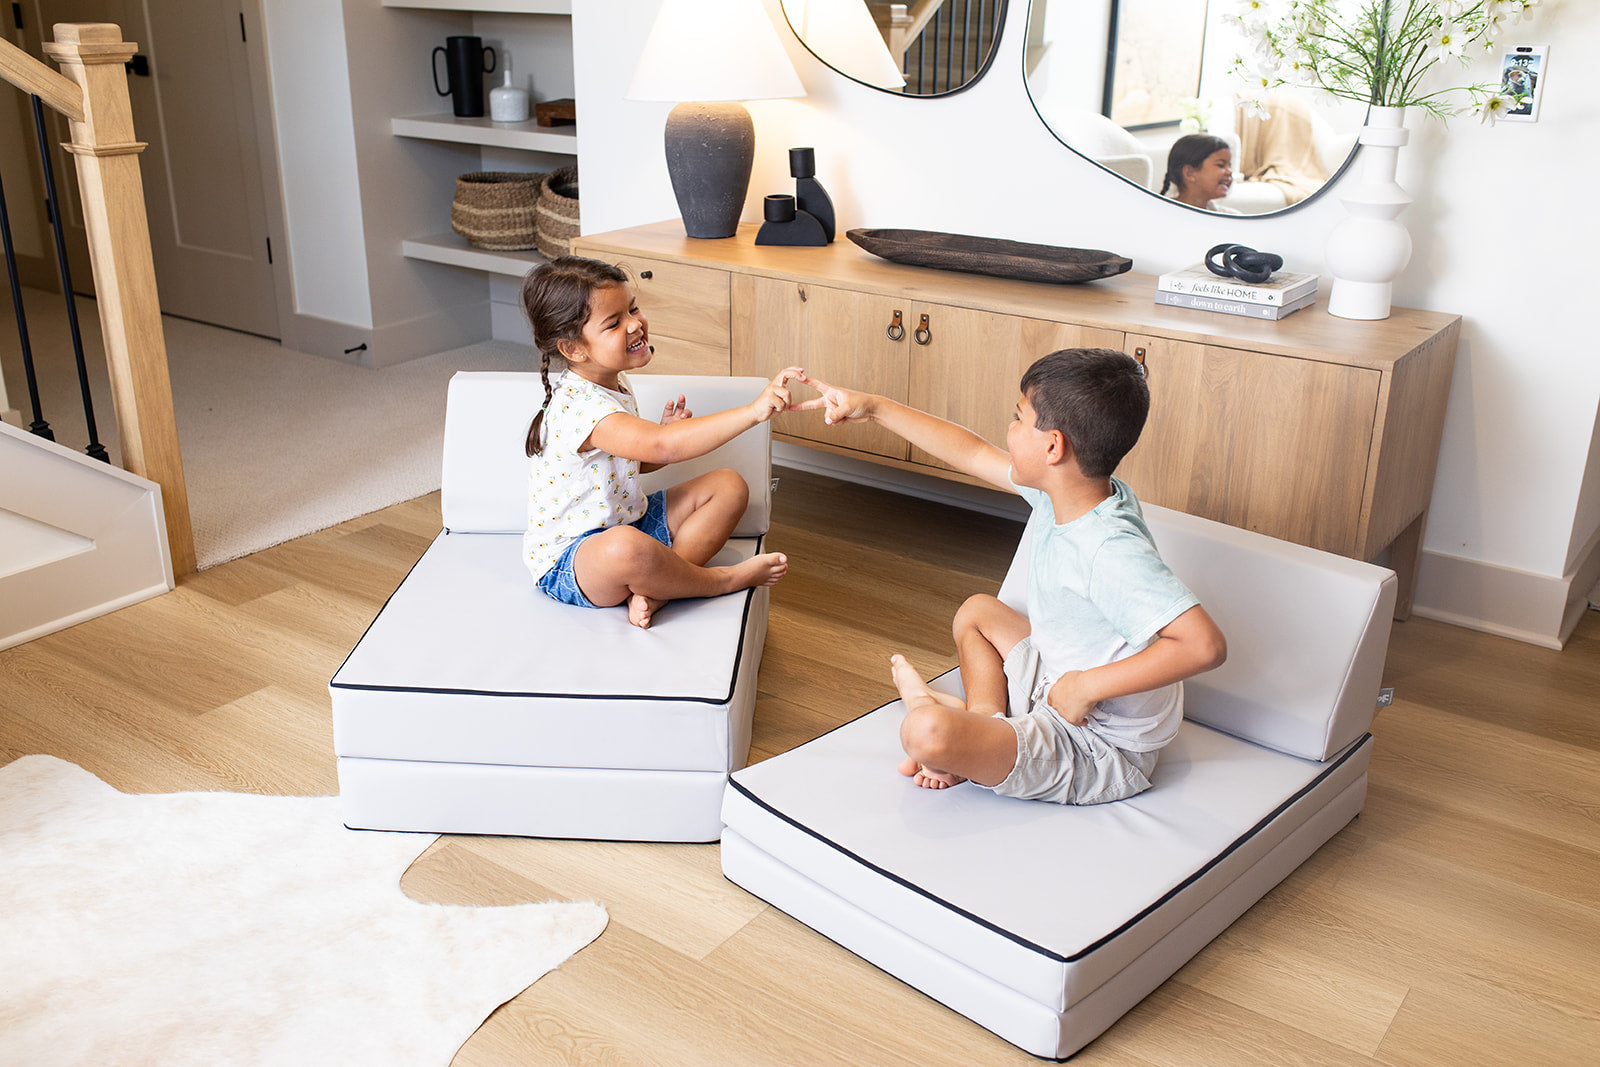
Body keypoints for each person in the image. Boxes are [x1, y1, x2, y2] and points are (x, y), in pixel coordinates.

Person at [791, 350, 1227, 804]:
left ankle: (947, 728)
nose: (1009, 431)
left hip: (1096, 744)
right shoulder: (1069, 491)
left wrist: (1085, 687)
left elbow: (1203, 645)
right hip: (1057, 681)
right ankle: (984, 723)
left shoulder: (1108, 549)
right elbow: (972, 451)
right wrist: (875, 407)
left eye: (1018, 419)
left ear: (1053, 446)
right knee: (978, 612)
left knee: (924, 733)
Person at [522, 255, 795, 629]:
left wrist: (660, 435)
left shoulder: (613, 382)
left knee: (728, 486)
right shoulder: (581, 408)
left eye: (633, 308)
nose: (635, 323)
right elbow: (661, 446)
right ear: (573, 349)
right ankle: (720, 582)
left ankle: (658, 589)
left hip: (631, 523)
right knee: (625, 547)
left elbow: (637, 461)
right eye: (615, 322)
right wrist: (753, 411)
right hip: (575, 561)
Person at [1160, 133, 1237, 211]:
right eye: (1220, 165)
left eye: (1229, 166)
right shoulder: (1161, 214)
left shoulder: (1230, 217)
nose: (1229, 172)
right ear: (1189, 173)